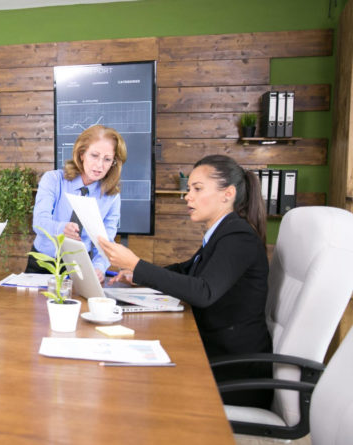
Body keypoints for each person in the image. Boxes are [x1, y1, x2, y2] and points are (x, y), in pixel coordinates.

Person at [97, 154, 272, 408]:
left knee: (134, 387)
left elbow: (203, 291)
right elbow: (187, 270)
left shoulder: (238, 237)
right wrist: (138, 276)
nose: (188, 196)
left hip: (233, 373)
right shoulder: (222, 233)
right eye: (189, 189)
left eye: (197, 189)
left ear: (228, 194)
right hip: (215, 353)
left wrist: (136, 264)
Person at [27, 125, 126, 282]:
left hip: (79, 267)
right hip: (42, 264)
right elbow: (39, 223)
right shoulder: (53, 180)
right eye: (94, 155)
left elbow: (106, 241)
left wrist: (99, 268)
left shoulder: (112, 196)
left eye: (107, 159)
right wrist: (61, 229)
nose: (100, 165)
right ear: (81, 154)